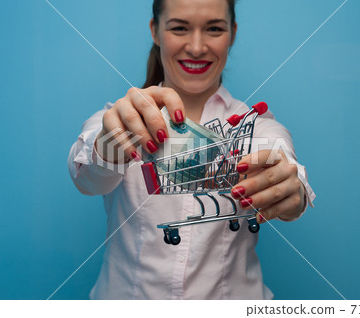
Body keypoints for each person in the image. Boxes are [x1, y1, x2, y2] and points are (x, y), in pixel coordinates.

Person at [68, 0, 315, 299]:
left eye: (213, 28)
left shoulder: (254, 126)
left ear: (232, 34)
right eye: (180, 28)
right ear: (155, 31)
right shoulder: (119, 118)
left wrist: (290, 189)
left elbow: (281, 155)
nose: (196, 47)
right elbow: (88, 178)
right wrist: (110, 144)